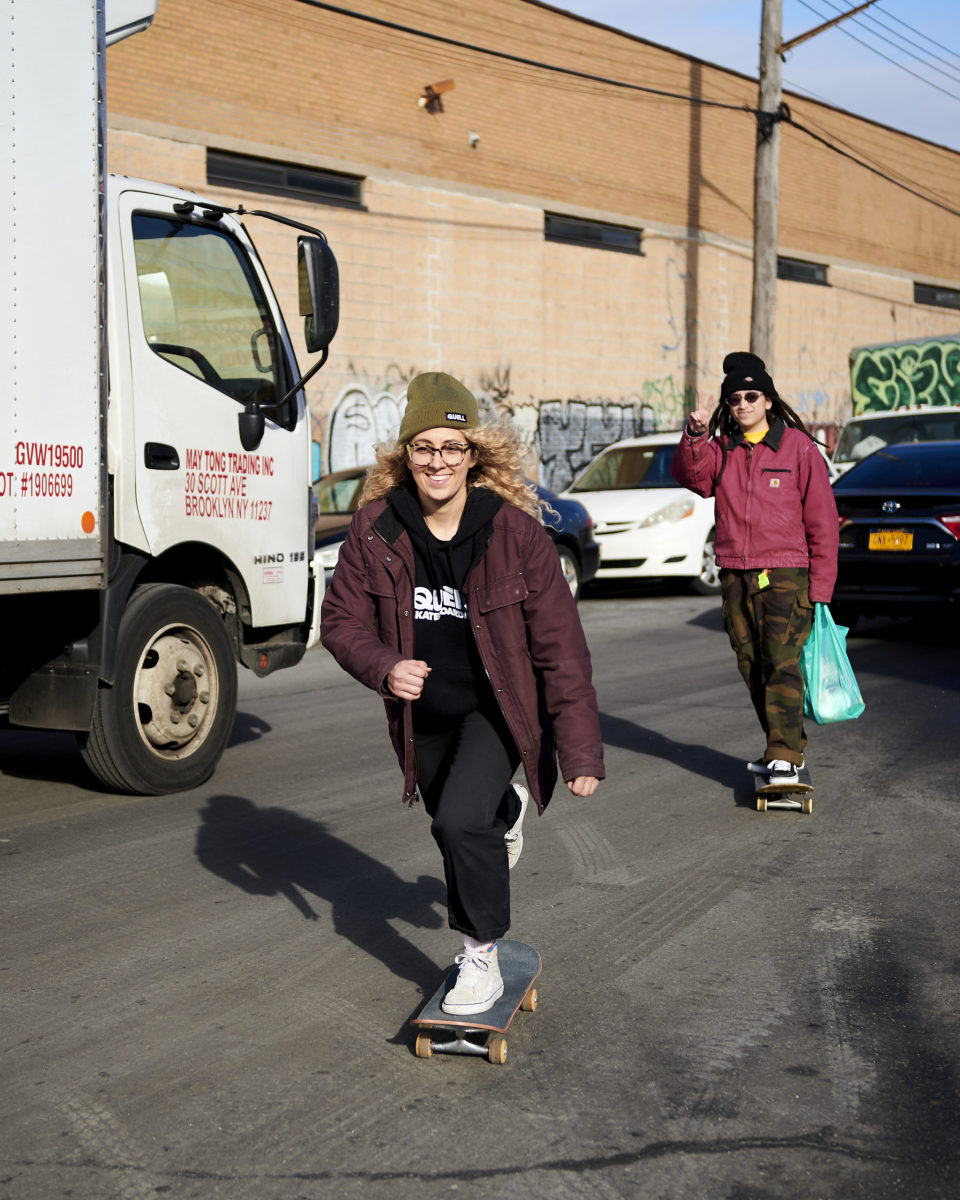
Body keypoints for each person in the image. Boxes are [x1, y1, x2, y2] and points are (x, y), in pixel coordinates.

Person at [320, 372, 604, 1015]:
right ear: (405, 457)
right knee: (454, 824)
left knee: (457, 821)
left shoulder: (515, 535)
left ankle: (481, 958)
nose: (438, 462)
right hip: (425, 713)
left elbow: (561, 648)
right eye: (424, 448)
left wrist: (580, 751)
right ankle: (501, 814)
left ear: (473, 455)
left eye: (452, 447)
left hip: (497, 708)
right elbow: (340, 622)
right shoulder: (376, 530)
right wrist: (386, 665)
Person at [671, 352, 838, 785]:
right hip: (734, 574)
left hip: (785, 576)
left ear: (767, 400)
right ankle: (784, 748)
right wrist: (695, 434)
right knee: (751, 665)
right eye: (734, 399)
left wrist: (821, 588)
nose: (742, 404)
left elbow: (822, 521)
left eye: (751, 396)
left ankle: (782, 754)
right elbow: (691, 476)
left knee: (781, 662)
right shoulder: (721, 451)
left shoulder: (797, 448)